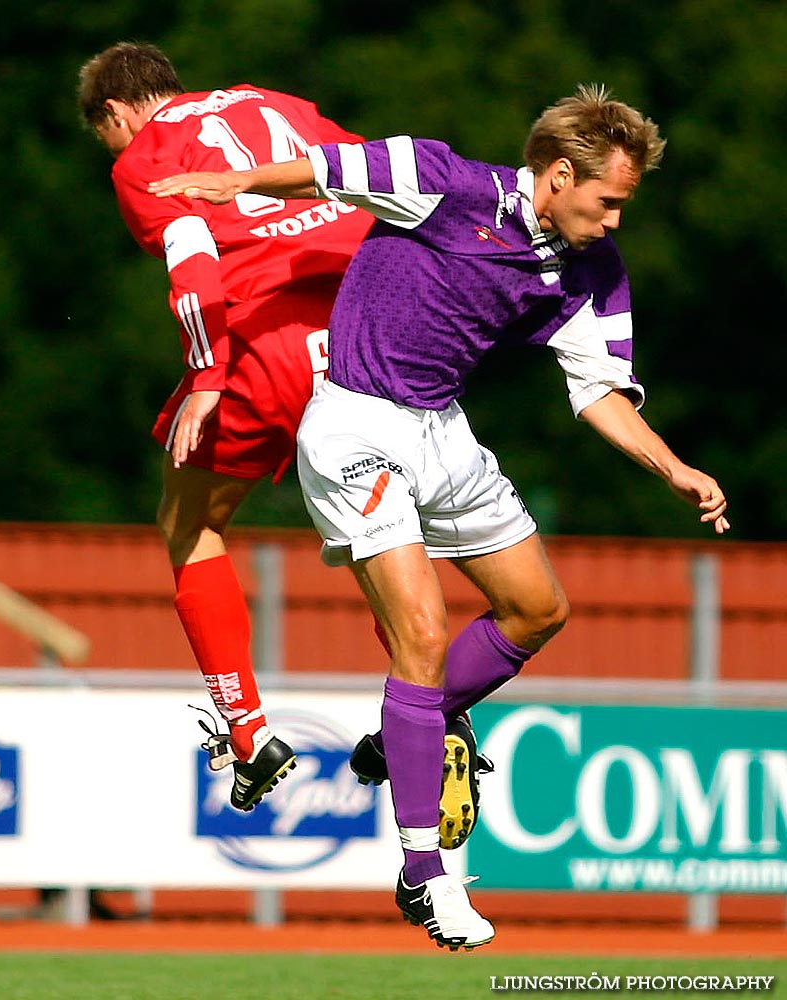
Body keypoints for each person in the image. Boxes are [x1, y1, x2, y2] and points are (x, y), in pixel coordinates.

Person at [150, 84, 729, 949]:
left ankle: (404, 727)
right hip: (352, 423)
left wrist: (672, 467)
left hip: (442, 430)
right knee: (418, 633)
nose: (613, 221)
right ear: (560, 174)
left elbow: (598, 388)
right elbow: (322, 172)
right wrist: (229, 188)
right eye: (606, 201)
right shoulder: (444, 181)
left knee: (538, 609)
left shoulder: (593, 271)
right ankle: (426, 875)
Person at [77, 43, 371, 811]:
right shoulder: (276, 102)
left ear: (112, 112)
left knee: (188, 526)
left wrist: (207, 376)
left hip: (262, 339)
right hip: (363, 326)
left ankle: (247, 734)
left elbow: (192, 257)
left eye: (103, 132)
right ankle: (434, 717)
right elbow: (375, 177)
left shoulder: (143, 154)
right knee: (382, 538)